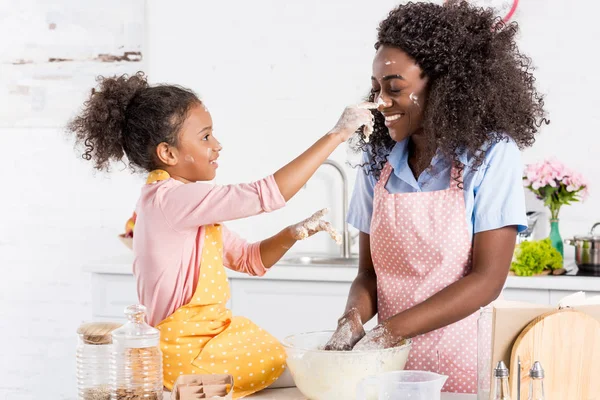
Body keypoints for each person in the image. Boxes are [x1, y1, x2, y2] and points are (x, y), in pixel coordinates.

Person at [68, 72, 375, 397]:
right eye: (205, 137)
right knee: (312, 373)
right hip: (183, 359)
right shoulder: (170, 199)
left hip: (204, 346)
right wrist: (338, 134)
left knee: (305, 370)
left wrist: (293, 233)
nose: (217, 145)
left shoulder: (184, 205)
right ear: (168, 154)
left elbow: (249, 259)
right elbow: (265, 194)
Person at [324, 1, 548, 393]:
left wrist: (387, 333)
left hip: (462, 362)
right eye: (376, 89)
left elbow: (486, 280)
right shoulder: (379, 160)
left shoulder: (490, 156)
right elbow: (369, 274)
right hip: (387, 368)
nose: (380, 102)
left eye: (394, 88)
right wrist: (353, 323)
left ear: (444, 85)